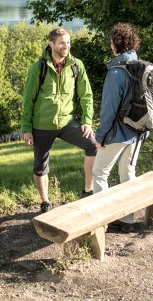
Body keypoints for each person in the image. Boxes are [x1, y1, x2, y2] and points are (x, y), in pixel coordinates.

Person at [22, 27, 97, 213]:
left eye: (69, 43)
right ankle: (45, 202)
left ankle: (88, 190)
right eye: (62, 43)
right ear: (51, 44)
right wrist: (26, 128)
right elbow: (28, 100)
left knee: (93, 145)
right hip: (42, 124)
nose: (66, 46)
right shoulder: (37, 68)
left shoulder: (76, 65)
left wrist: (87, 120)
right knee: (40, 166)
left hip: (66, 122)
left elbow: (86, 95)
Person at [93, 23, 145, 232]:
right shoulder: (141, 66)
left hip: (117, 133)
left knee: (99, 174)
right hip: (138, 131)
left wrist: (100, 137)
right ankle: (127, 220)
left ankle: (99, 222)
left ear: (115, 44)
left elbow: (108, 111)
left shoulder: (116, 73)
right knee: (128, 173)